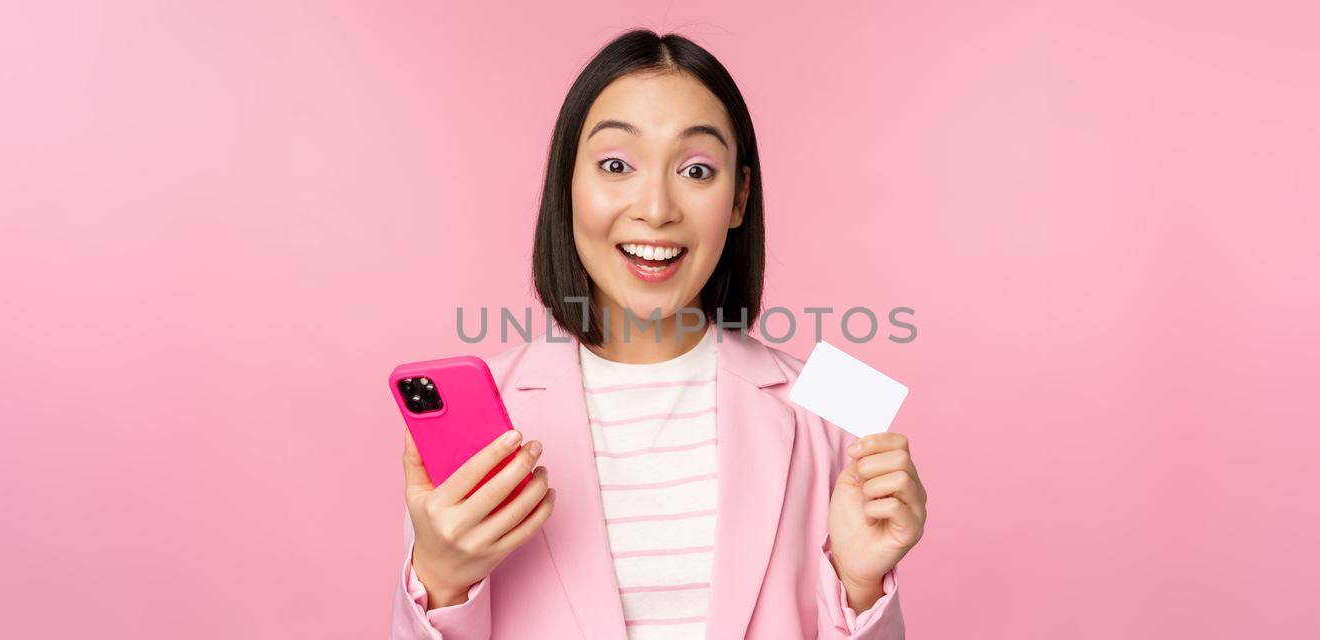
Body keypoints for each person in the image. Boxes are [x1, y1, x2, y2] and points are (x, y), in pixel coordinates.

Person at [393, 28, 926, 639]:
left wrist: (860, 590)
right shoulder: (485, 410)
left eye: (697, 169)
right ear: (568, 185)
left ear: (738, 197)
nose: (656, 207)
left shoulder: (839, 402)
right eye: (616, 165)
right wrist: (440, 576)